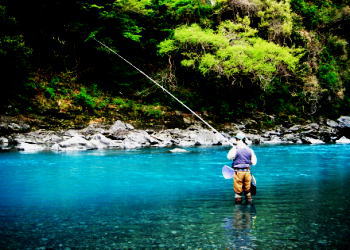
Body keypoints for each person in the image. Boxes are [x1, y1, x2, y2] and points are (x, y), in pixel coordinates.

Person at [227, 132, 257, 205]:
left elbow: (229, 157)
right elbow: (254, 162)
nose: (235, 140)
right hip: (247, 173)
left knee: (238, 193)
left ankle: (238, 211)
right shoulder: (250, 150)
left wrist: (234, 149)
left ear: (238, 140)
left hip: (238, 173)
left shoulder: (235, 149)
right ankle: (249, 211)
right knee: (248, 191)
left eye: (236, 139)